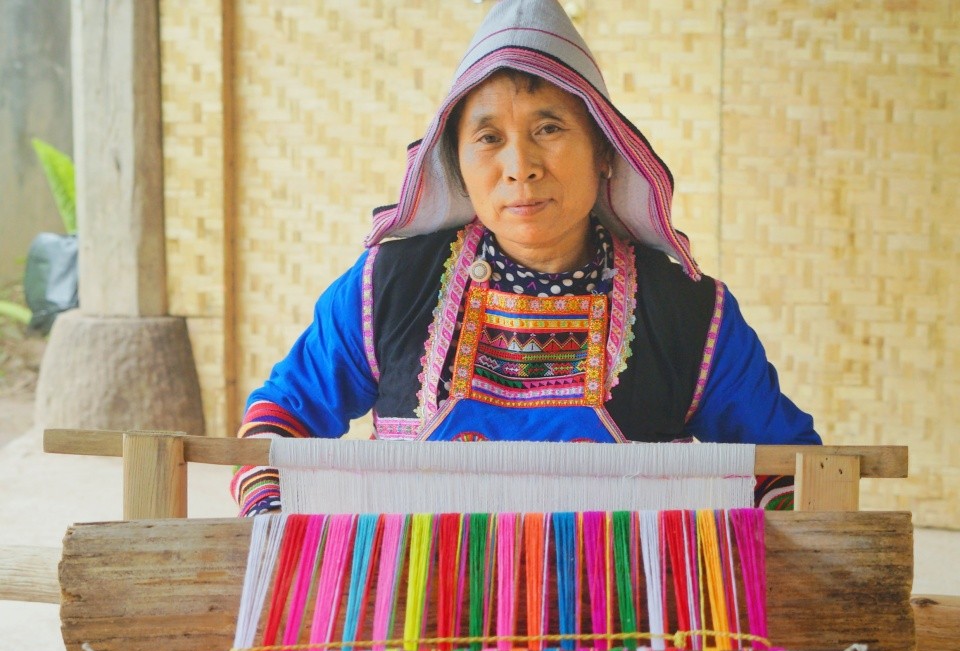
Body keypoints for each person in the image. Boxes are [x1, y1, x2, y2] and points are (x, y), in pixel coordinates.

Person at [231, 0, 819, 516]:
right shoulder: (386, 288)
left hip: (622, 625)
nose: (520, 167)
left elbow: (789, 473)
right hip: (416, 623)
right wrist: (279, 527)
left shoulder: (691, 314)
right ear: (456, 162)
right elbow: (278, 424)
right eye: (488, 138)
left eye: (549, 128)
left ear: (605, 153)